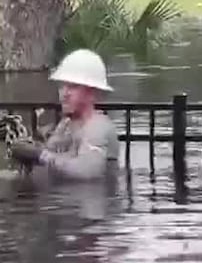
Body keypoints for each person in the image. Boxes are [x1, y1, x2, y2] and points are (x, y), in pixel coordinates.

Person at [7, 49, 121, 181]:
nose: (64, 94)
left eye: (73, 87)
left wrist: (39, 155)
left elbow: (86, 171)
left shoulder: (98, 127)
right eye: (62, 86)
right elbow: (51, 157)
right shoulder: (66, 124)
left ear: (92, 93)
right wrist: (27, 151)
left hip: (89, 198)